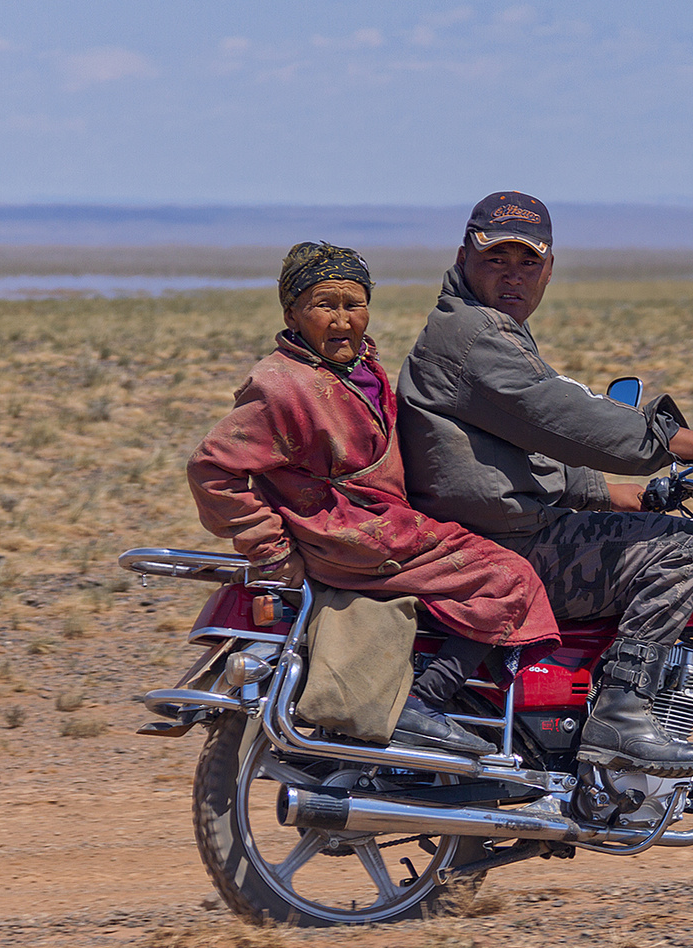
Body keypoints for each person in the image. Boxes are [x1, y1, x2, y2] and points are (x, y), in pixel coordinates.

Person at [396, 192, 693, 778]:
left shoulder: (479, 330)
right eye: (496, 260)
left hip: (490, 530)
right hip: (505, 543)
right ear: (465, 257)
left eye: (528, 263)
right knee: (684, 552)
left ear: (548, 269)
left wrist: (624, 494)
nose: (513, 277)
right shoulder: (475, 337)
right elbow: (566, 415)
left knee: (654, 525)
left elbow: (519, 454)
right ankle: (622, 713)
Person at [188, 241, 559, 756]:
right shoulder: (283, 384)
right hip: (347, 533)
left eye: (353, 304)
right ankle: (420, 703)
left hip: (375, 522)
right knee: (510, 577)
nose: (342, 320)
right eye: (325, 304)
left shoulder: (361, 368)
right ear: (292, 311)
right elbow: (213, 470)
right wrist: (271, 550)